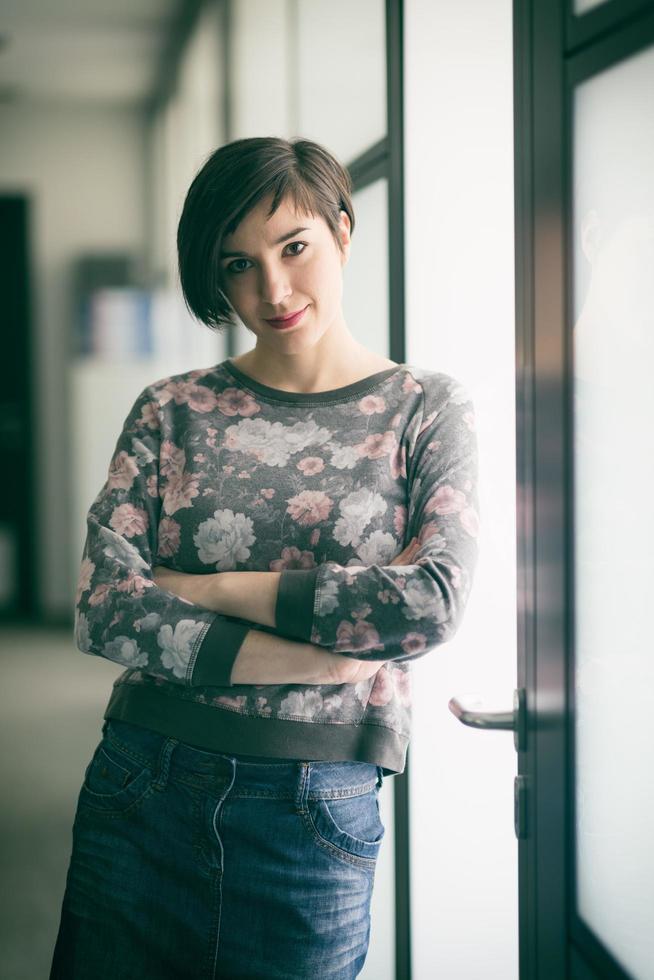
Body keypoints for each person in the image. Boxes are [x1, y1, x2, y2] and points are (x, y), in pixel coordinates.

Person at [49, 136, 480, 979]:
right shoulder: (171, 410)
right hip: (143, 783)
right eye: (238, 264)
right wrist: (310, 661)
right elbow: (105, 605)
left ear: (343, 231)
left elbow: (430, 603)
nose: (273, 290)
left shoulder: (424, 408)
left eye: (295, 248)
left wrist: (201, 588)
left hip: (315, 810)